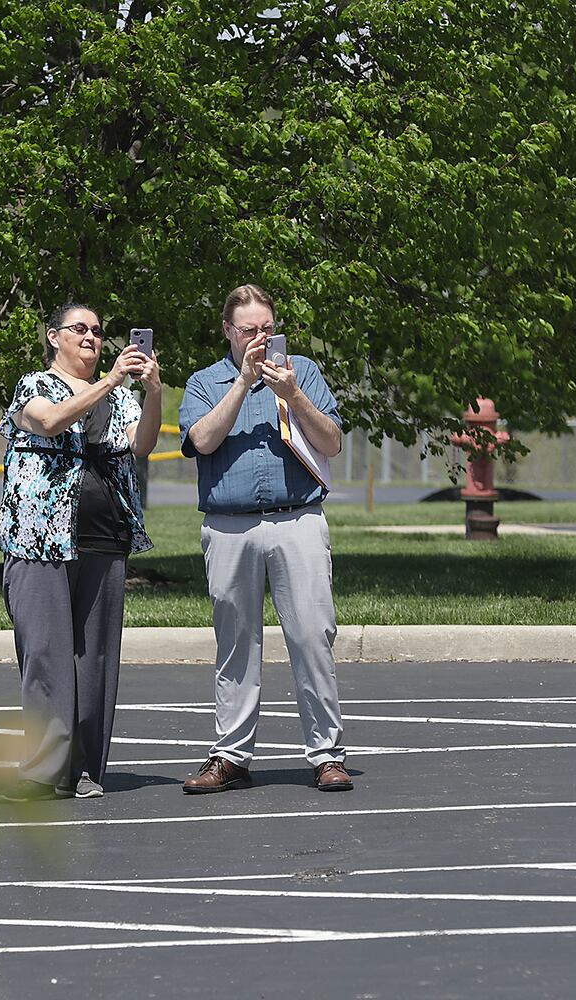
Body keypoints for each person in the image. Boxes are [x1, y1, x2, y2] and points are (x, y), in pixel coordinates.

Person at [176, 283, 350, 794]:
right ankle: (231, 756)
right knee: (236, 644)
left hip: (298, 520)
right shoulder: (205, 382)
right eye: (249, 330)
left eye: (267, 329)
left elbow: (332, 443)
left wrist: (290, 393)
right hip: (230, 526)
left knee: (312, 636)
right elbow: (202, 440)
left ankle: (327, 755)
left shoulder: (302, 374)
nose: (260, 337)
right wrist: (244, 384)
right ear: (228, 331)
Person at [0, 303, 161, 803]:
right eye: (79, 329)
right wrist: (111, 380)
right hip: (40, 536)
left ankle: (84, 769)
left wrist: (152, 393)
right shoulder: (35, 384)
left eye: (98, 331)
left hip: (104, 534)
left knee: (95, 659)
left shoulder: (122, 398)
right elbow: (48, 423)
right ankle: (44, 772)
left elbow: (142, 445)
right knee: (45, 654)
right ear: (54, 337)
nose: (91, 337)